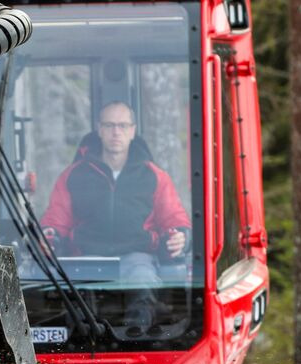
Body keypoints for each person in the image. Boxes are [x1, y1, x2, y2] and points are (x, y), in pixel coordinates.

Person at [40, 102, 190, 330]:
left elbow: (174, 219)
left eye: (122, 126)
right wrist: (50, 236)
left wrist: (181, 236)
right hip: (86, 257)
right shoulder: (74, 175)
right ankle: (82, 343)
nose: (116, 132)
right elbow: (56, 220)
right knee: (75, 303)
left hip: (136, 257)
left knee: (142, 282)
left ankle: (137, 336)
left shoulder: (154, 176)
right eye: (109, 125)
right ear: (99, 129)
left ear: (132, 131)